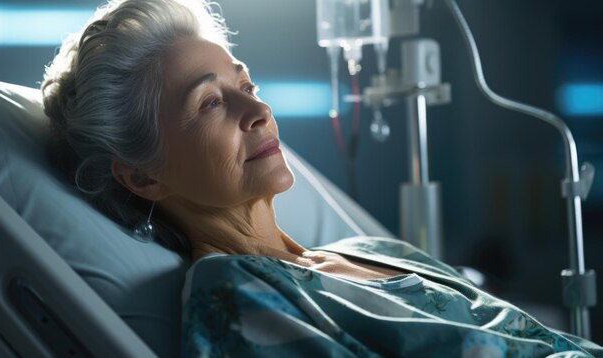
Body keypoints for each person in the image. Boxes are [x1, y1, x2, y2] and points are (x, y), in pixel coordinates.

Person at [42, 0, 602, 356]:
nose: (257, 110)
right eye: (211, 103)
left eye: (248, 85)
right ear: (143, 176)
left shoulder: (376, 249)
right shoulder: (234, 295)